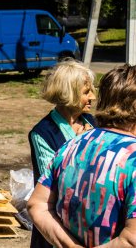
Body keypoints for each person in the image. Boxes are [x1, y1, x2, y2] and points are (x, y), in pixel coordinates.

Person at [27, 64, 136, 247]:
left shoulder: (69, 146)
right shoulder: (132, 158)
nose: (91, 96)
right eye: (86, 92)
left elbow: (37, 204)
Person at [28, 59, 96, 248]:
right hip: (58, 228)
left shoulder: (91, 122)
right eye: (86, 92)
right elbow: (57, 184)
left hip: (88, 225)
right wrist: (80, 147)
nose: (93, 97)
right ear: (69, 94)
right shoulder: (43, 133)